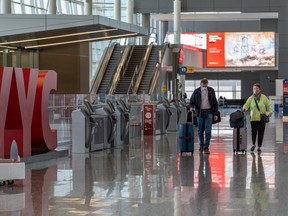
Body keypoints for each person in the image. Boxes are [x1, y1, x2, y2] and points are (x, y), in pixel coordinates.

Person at [189, 78, 219, 154]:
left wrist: (215, 114)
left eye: (205, 85)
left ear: (207, 84)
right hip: (200, 113)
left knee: (208, 131)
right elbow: (191, 101)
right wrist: (191, 107)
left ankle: (206, 147)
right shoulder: (196, 91)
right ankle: (201, 145)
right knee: (200, 131)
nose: (204, 87)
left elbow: (215, 103)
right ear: (200, 84)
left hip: (209, 112)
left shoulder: (211, 90)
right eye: (203, 85)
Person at [243, 83, 273, 153]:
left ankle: (259, 146)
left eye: (257, 88)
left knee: (261, 133)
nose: (255, 90)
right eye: (254, 89)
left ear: (259, 89)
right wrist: (244, 108)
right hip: (253, 118)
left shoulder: (264, 97)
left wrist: (270, 111)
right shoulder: (251, 98)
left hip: (261, 118)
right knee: (253, 132)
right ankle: (253, 144)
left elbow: (269, 105)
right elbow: (246, 105)